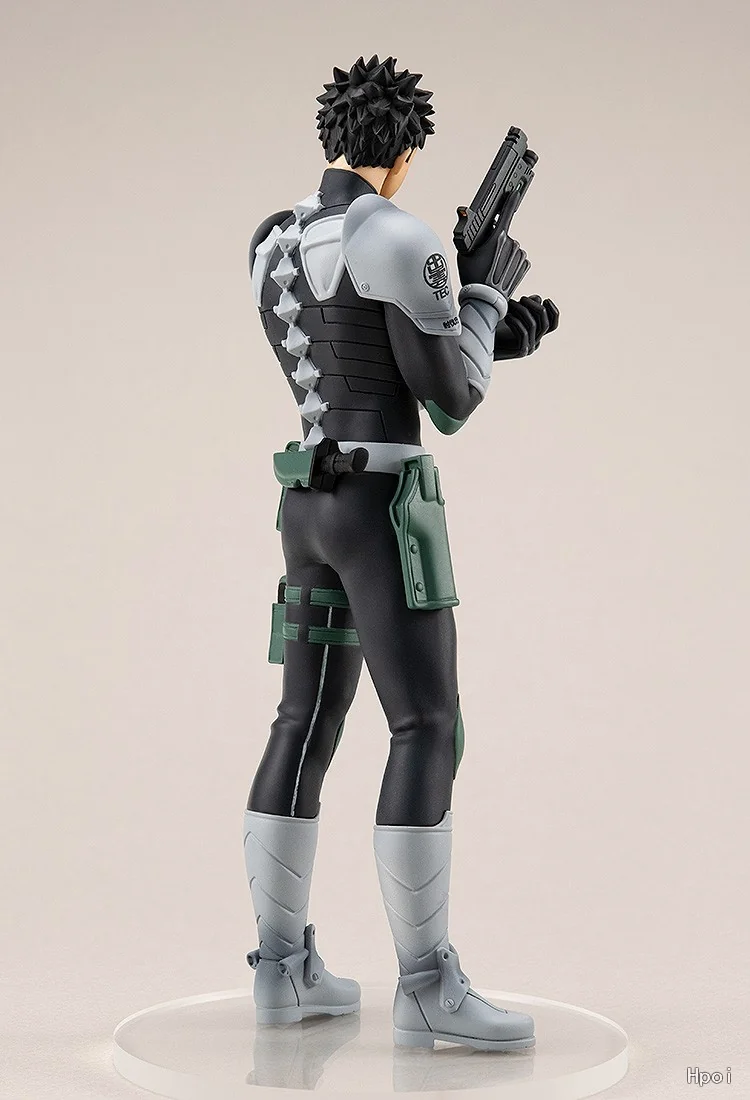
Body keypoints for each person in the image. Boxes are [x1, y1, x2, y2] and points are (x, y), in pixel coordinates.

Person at [243, 54, 559, 1051]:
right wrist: (483, 298)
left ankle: (280, 970)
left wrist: (484, 332)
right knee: (427, 725)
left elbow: (359, 353)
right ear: (406, 151)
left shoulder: (271, 239)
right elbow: (450, 401)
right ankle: (426, 984)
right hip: (383, 505)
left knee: (302, 719)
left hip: (306, 502)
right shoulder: (403, 237)